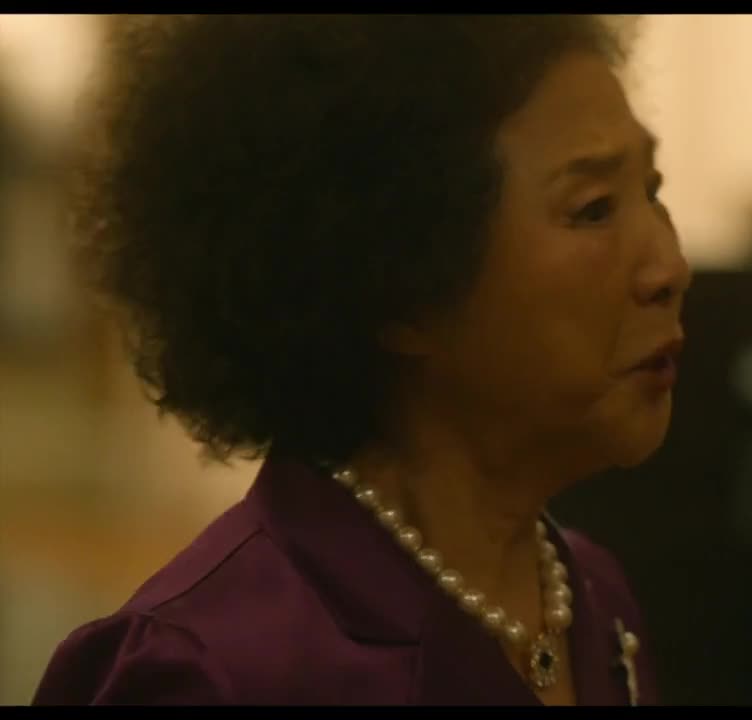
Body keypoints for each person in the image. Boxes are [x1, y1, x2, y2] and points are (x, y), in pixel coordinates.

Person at [31, 14, 688, 706]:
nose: (670, 267)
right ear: (402, 280)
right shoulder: (211, 671)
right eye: (593, 209)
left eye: (652, 191)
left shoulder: (596, 604)